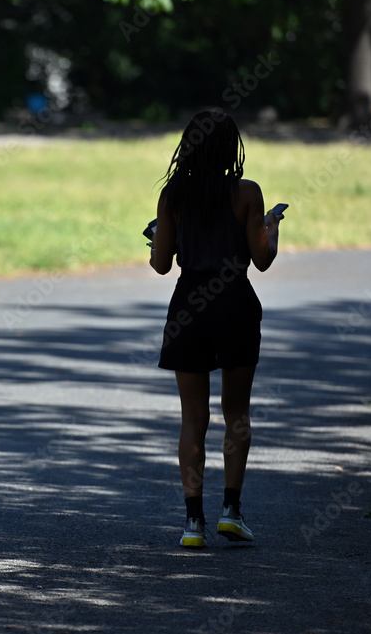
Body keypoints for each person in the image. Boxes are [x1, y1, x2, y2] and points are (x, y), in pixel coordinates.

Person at [148, 110, 284, 549]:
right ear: (231, 149)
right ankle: (231, 511)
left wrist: (158, 240)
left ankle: (192, 522)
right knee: (236, 414)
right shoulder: (247, 193)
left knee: (193, 419)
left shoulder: (172, 196)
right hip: (235, 306)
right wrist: (272, 228)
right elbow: (261, 259)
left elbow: (162, 264)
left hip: (188, 307)